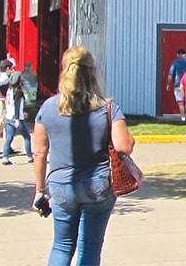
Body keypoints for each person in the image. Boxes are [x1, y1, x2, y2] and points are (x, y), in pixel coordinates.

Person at [32, 46, 135, 265]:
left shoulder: (48, 108)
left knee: (61, 244)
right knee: (90, 246)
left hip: (60, 184)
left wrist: (40, 190)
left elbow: (39, 152)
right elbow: (123, 146)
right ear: (92, 72)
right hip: (97, 183)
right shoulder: (107, 108)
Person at [2, 70, 33, 165]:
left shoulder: (9, 90)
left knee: (9, 138)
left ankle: (5, 158)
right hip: (17, 118)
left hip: (8, 117)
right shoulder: (18, 91)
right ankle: (29, 157)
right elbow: (17, 104)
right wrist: (17, 118)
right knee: (27, 137)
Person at [166, 49, 186, 121]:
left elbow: (170, 74)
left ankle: (183, 117)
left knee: (180, 102)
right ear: (185, 55)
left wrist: (168, 84)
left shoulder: (175, 63)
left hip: (178, 84)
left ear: (177, 55)